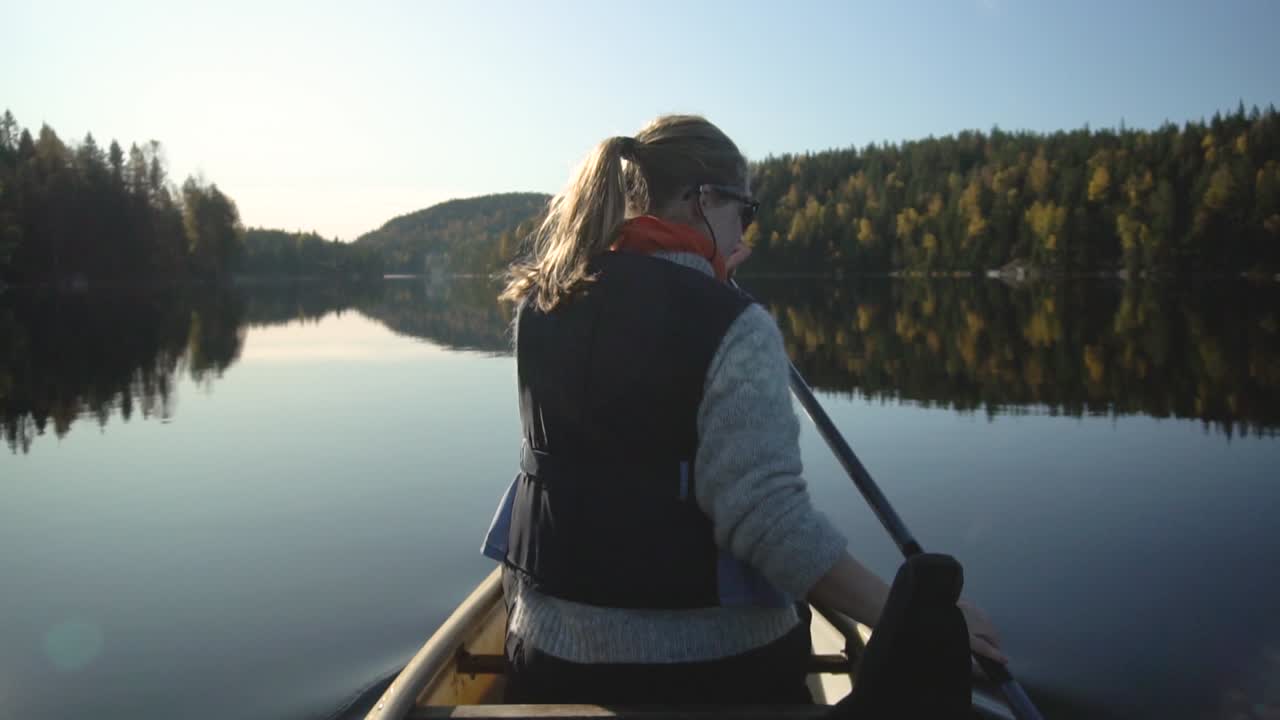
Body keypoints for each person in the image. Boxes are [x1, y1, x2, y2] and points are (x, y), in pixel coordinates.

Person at [482, 114, 1006, 706]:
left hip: (547, 656)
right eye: (745, 211)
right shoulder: (735, 325)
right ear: (702, 200)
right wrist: (906, 615)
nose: (746, 230)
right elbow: (766, 521)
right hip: (714, 669)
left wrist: (705, 276)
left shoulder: (541, 305)